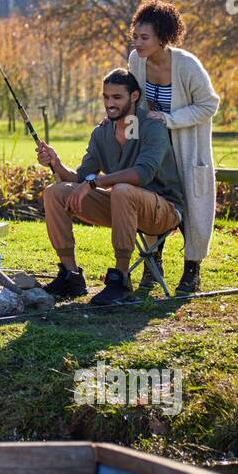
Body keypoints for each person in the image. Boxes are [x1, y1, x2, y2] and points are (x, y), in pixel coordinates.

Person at [38, 69, 185, 306]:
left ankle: (120, 278)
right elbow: (82, 177)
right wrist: (56, 163)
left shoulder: (151, 127)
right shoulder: (102, 132)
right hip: (121, 205)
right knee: (55, 192)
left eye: (117, 97)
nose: (110, 103)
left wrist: (93, 183)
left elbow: (142, 173)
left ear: (134, 96)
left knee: (122, 189)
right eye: (106, 97)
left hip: (162, 211)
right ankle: (71, 275)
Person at [127, 0, 221, 294]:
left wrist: (169, 119)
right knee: (153, 202)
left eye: (145, 38)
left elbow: (209, 105)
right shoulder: (135, 61)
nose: (138, 43)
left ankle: (192, 271)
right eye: (136, 36)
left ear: (162, 37)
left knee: (193, 208)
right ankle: (153, 265)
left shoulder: (187, 65)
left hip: (187, 147)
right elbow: (135, 102)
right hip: (155, 149)